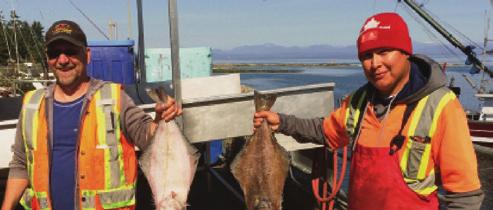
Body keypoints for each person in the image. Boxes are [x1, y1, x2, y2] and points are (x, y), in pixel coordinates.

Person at [254, 12, 484, 210]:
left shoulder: (441, 105)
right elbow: (326, 132)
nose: (374, 64)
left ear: (405, 52)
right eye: (366, 56)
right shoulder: (359, 101)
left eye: (384, 51)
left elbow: (465, 195)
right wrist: (281, 122)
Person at [1, 20, 181, 210]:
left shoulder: (114, 98)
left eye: (70, 51)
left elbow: (146, 136)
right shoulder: (31, 104)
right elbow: (20, 164)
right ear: (48, 59)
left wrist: (162, 120)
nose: (62, 60)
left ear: (86, 55)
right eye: (55, 53)